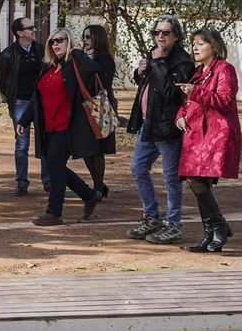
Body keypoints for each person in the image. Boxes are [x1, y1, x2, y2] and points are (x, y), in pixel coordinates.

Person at [17, 28, 104, 226]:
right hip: (48, 126)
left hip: (67, 126)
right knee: (54, 166)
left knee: (54, 166)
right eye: (52, 41)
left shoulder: (75, 65)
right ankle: (89, 195)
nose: (55, 44)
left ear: (68, 42)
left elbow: (93, 69)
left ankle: (54, 212)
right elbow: (37, 98)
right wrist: (23, 120)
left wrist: (75, 51)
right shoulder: (48, 68)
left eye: (60, 40)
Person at [125, 15, 194, 245]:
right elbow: (148, 85)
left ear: (176, 35)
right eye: (156, 32)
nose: (160, 36)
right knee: (138, 168)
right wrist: (140, 72)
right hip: (148, 124)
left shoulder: (182, 61)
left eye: (165, 32)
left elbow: (170, 91)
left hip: (167, 126)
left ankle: (173, 225)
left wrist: (157, 63)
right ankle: (152, 217)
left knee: (171, 177)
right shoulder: (154, 54)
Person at [176, 27, 242, 252]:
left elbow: (225, 101)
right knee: (195, 181)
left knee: (198, 181)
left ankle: (217, 228)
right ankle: (213, 231)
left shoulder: (224, 69)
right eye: (193, 43)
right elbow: (186, 102)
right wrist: (180, 116)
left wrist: (194, 92)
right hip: (196, 135)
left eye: (200, 43)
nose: (195, 48)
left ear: (214, 46)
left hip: (215, 134)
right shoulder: (198, 72)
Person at [0, 16, 43, 195]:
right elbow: (2, 81)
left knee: (44, 141)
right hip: (20, 103)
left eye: (34, 26)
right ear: (19, 33)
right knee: (22, 144)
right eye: (30, 28)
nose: (34, 30)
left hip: (41, 102)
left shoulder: (41, 50)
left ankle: (48, 182)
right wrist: (12, 99)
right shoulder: (8, 54)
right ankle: (21, 183)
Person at [80, 23, 117, 197]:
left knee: (97, 149)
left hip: (99, 107)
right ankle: (99, 185)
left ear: (98, 38)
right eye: (83, 37)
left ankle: (97, 186)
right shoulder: (84, 56)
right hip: (84, 107)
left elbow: (103, 82)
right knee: (86, 148)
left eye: (88, 37)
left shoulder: (104, 58)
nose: (85, 40)